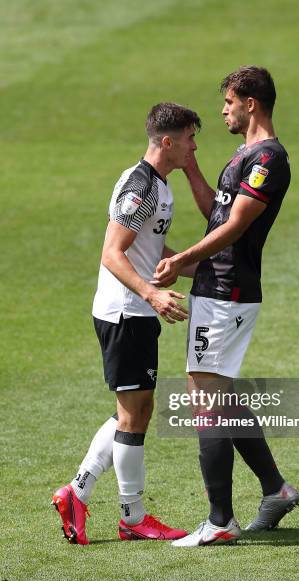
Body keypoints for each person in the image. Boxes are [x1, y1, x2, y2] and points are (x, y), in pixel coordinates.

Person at [154, 67, 299, 547]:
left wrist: (182, 259)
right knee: (220, 396)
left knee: (205, 400)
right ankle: (276, 490)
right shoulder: (242, 156)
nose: (224, 110)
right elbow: (215, 213)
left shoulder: (268, 159)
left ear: (251, 104)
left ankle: (219, 520)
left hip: (228, 292)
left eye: (230, 102)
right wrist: (192, 168)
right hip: (217, 287)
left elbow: (235, 226)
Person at [52, 103, 201, 545]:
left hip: (131, 312)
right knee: (134, 415)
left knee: (134, 410)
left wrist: (191, 264)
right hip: (125, 312)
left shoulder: (157, 184)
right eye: (190, 138)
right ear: (168, 142)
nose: (195, 146)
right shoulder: (141, 186)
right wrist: (151, 293)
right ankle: (130, 516)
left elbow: (149, 247)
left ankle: (77, 493)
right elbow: (112, 253)